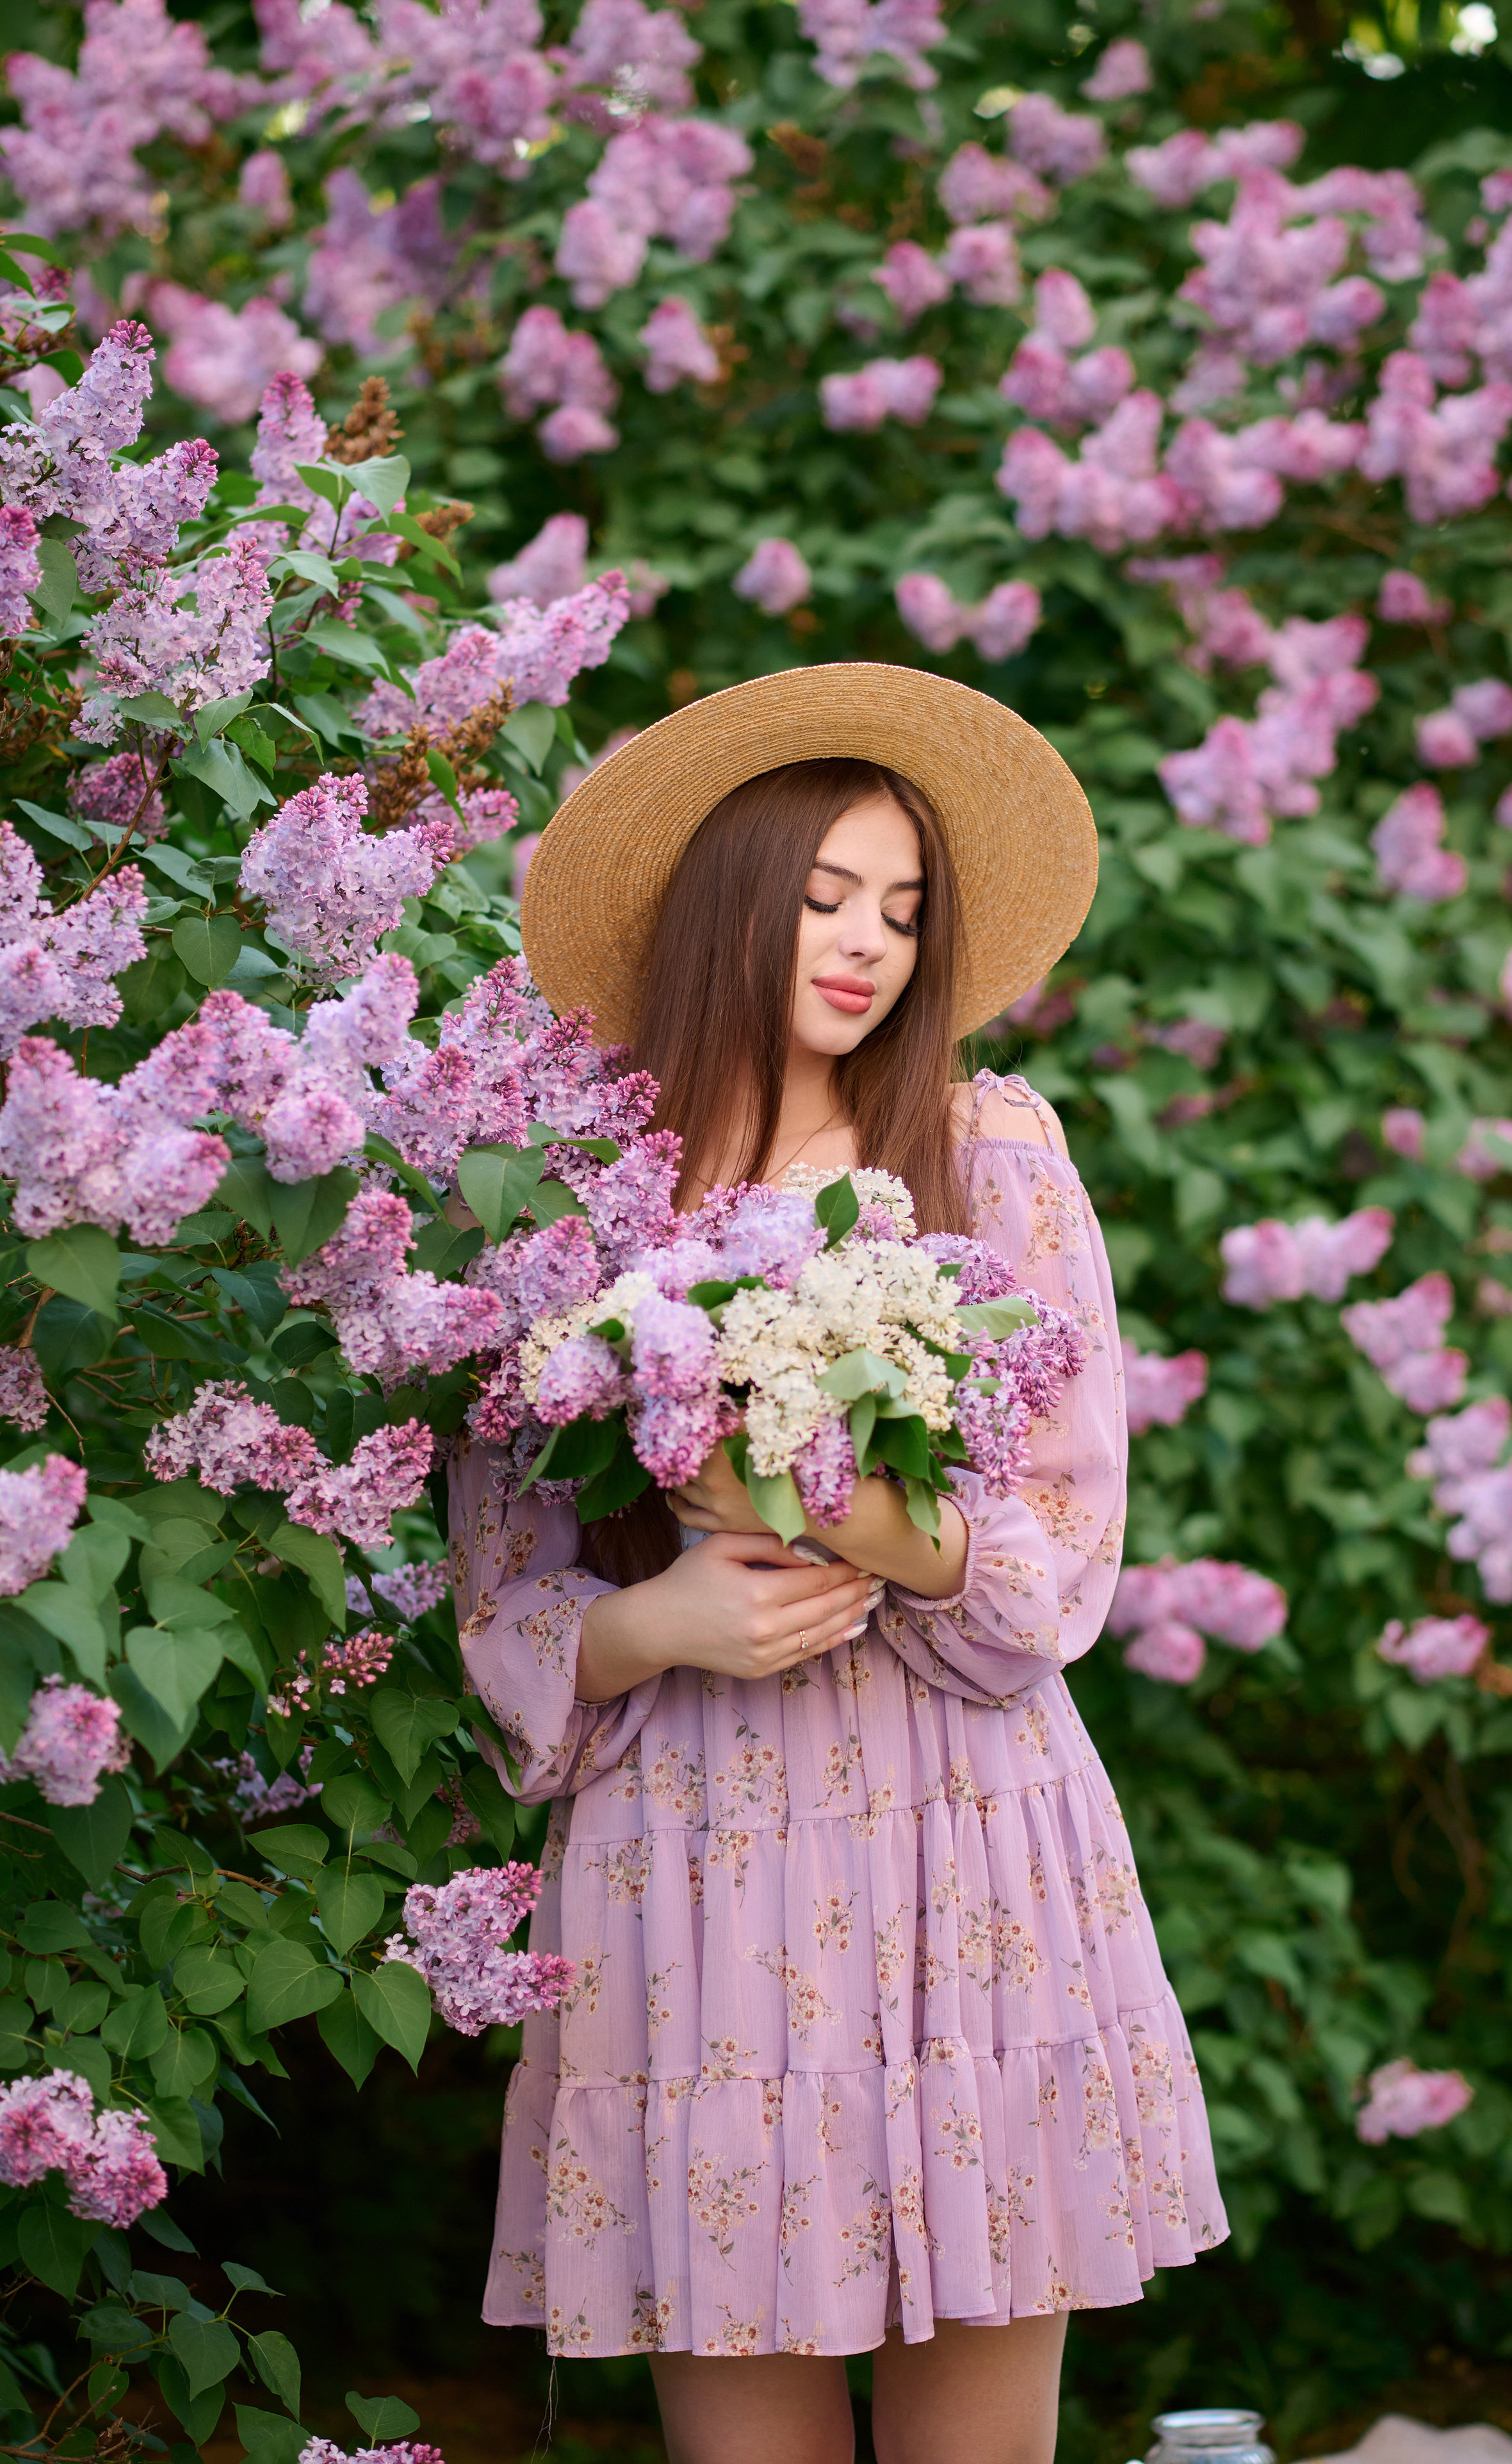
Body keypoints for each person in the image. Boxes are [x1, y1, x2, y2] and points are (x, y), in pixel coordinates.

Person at [453, 665, 1227, 2464]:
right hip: (696, 1871)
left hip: (967, 1844)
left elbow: (1065, 1561)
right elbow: (501, 1589)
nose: (868, 944)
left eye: (900, 909)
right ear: (730, 905)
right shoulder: (579, 1210)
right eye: (823, 898)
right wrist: (652, 1621)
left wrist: (878, 1523)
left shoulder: (993, 1157)